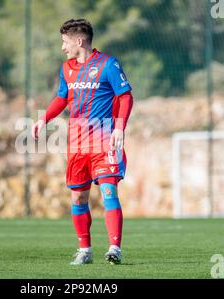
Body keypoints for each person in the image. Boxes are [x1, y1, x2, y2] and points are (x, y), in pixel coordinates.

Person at [32, 19, 133, 265]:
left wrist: (119, 127)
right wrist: (42, 119)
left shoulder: (108, 64)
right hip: (77, 144)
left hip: (104, 141)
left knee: (108, 190)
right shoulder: (66, 68)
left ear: (79, 41)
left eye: (65, 42)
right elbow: (61, 98)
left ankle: (114, 249)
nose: (62, 47)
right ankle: (85, 251)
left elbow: (126, 96)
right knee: (78, 198)